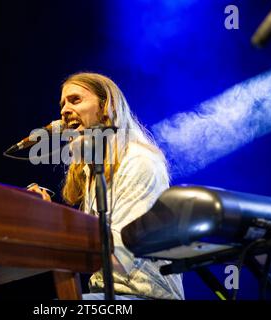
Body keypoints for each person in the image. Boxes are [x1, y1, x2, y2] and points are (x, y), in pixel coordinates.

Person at [28, 72, 184, 300]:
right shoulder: (92, 170)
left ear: (105, 107)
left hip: (144, 296)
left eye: (75, 100)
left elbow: (121, 258)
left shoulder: (138, 161)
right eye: (62, 104)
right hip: (106, 294)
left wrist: (55, 226)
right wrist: (48, 216)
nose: (63, 111)